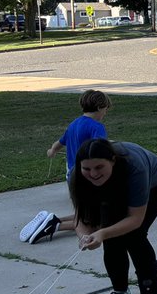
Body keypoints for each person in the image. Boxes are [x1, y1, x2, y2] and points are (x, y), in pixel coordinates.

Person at [71, 138, 157, 294]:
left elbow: (135, 219)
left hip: (155, 184)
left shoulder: (134, 167)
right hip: (114, 187)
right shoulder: (77, 177)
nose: (93, 173)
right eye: (87, 169)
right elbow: (82, 217)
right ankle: (121, 292)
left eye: (98, 167)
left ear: (112, 160)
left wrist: (102, 233)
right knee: (112, 235)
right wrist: (83, 236)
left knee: (134, 235)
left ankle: (152, 289)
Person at [21, 89, 111, 244]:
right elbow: (100, 150)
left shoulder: (74, 124)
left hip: (72, 176)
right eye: (105, 109)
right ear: (99, 107)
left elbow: (60, 142)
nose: (105, 113)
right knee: (96, 223)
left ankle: (51, 220)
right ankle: (54, 225)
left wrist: (52, 151)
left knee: (85, 213)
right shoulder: (96, 127)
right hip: (89, 177)